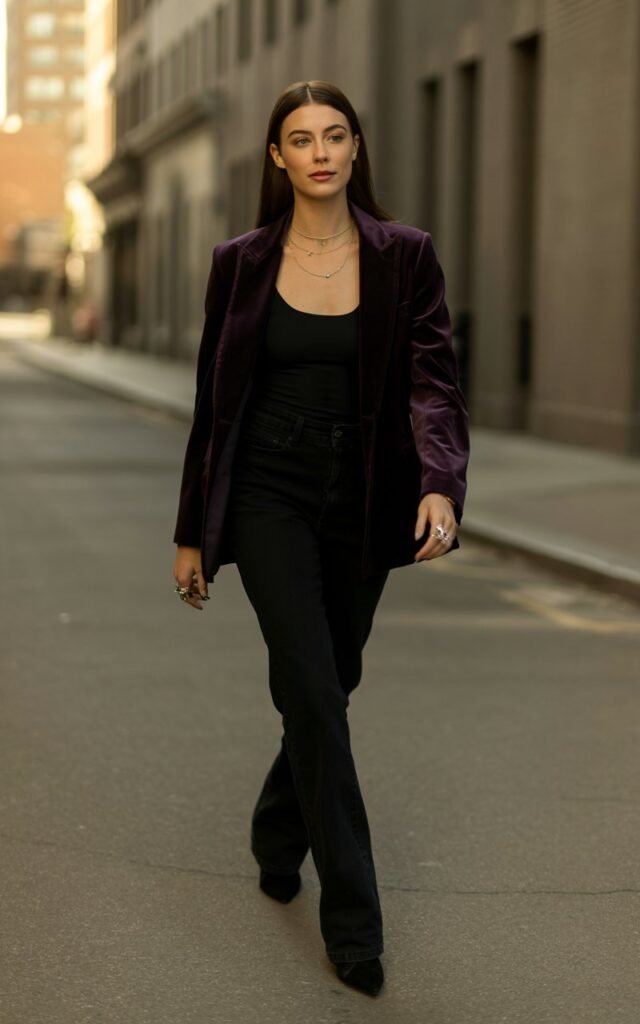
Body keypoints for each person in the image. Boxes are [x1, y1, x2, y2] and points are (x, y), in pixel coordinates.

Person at [172, 80, 470, 997]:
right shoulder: (241, 262)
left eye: (335, 135)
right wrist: (193, 532)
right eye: (301, 139)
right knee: (310, 679)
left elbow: (433, 383)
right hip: (268, 491)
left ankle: (275, 823)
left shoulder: (405, 256)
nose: (321, 152)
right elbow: (213, 408)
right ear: (278, 158)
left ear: (354, 148)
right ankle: (354, 924)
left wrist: (439, 483)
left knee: (328, 682)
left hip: (365, 494)